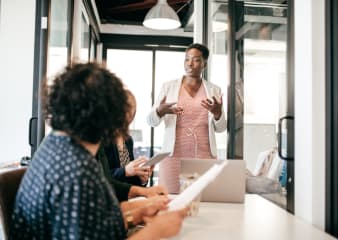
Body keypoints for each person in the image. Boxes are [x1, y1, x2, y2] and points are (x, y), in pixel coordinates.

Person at [11, 63, 188, 240]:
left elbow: (94, 218)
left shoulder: (54, 146)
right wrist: (157, 231)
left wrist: (141, 209)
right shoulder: (77, 173)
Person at [147, 43, 226, 193]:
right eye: (187, 59)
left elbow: (221, 128)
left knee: (203, 200)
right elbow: (151, 121)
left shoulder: (214, 90)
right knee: (170, 200)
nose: (190, 64)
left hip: (204, 155)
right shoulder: (168, 87)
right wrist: (160, 111)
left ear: (204, 63)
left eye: (196, 60)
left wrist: (217, 113)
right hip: (173, 156)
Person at [100, 90, 153, 186]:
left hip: (125, 197)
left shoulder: (128, 140)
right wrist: (125, 171)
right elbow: (101, 178)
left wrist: (141, 179)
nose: (128, 116)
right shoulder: (102, 139)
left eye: (131, 112)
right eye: (125, 111)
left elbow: (128, 181)